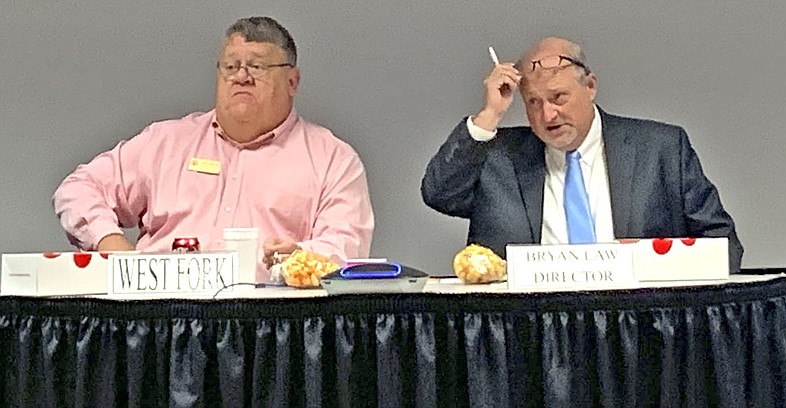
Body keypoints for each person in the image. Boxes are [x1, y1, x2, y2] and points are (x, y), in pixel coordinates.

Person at [53, 16, 374, 281]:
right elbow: (78, 189)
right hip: (159, 320)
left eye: (257, 67)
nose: (241, 78)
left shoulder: (332, 159)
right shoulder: (166, 142)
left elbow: (346, 246)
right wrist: (112, 245)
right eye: (231, 67)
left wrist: (303, 258)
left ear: (292, 81)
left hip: (273, 326)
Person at [421, 37, 743, 271]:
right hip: (529, 335)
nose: (548, 115)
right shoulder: (498, 156)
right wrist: (489, 115)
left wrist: (652, 261)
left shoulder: (661, 149)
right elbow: (439, 193)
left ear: (590, 86)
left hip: (638, 330)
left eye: (558, 97)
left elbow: (723, 246)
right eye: (533, 102)